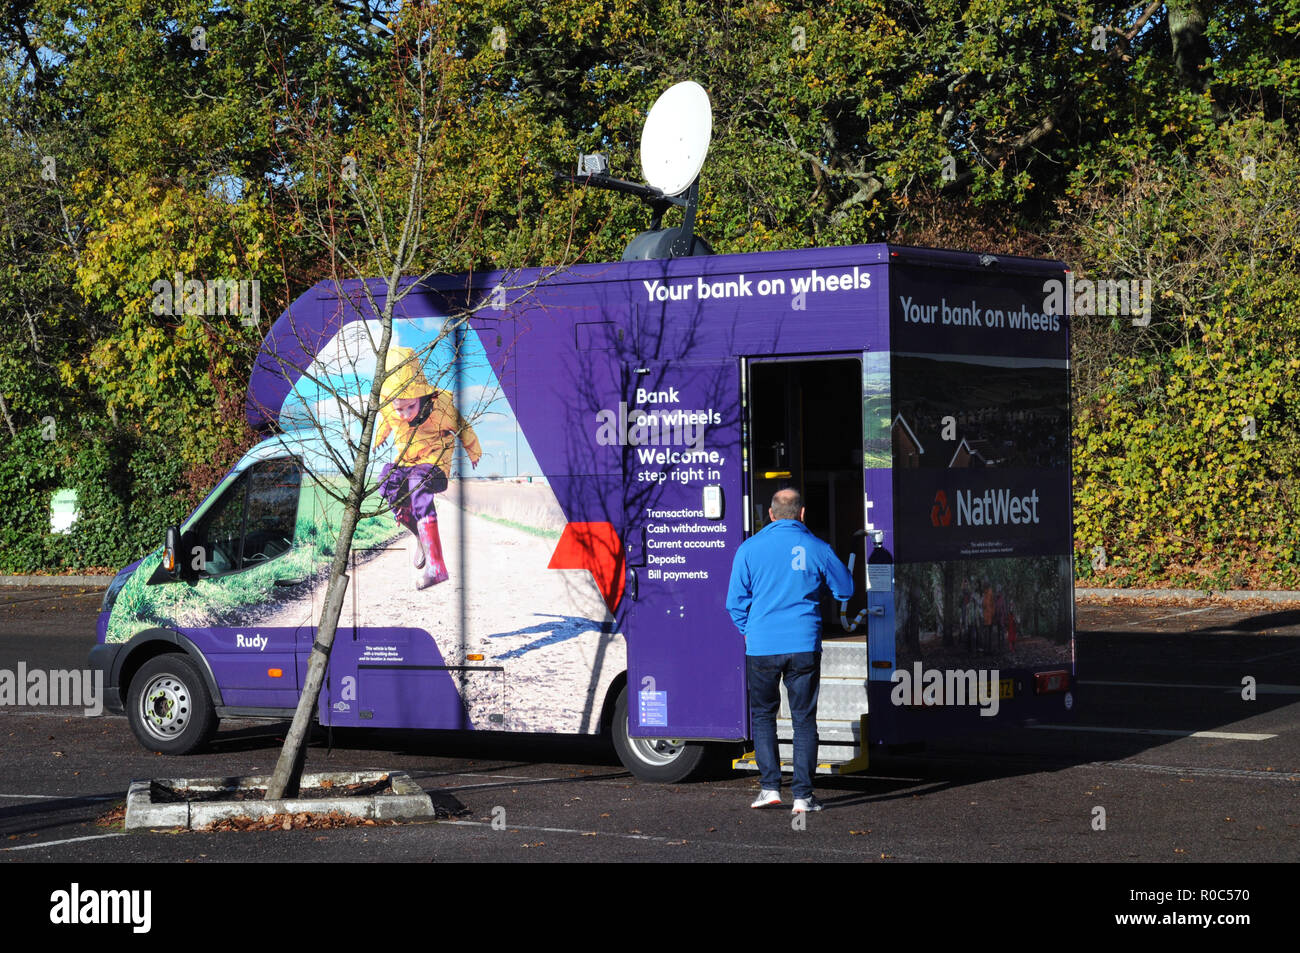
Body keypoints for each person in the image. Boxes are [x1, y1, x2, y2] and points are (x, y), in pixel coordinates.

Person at [726, 488, 854, 814]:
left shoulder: (749, 549)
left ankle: (770, 788)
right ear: (802, 513)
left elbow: (734, 604)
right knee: (803, 721)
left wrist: (750, 630)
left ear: (770, 514)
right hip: (803, 645)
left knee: (764, 717)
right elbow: (846, 589)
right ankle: (803, 796)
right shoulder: (817, 547)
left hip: (762, 647)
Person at [373, 345, 482, 589]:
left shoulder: (440, 406)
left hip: (434, 463)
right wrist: (380, 437)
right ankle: (420, 535)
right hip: (407, 462)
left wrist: (473, 450)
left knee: (417, 483)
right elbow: (386, 421)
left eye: (410, 407)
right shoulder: (393, 410)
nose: (404, 415)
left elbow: (462, 426)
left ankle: (436, 567)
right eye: (399, 409)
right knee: (387, 481)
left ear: (421, 395)